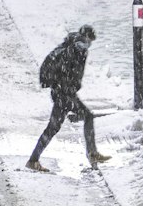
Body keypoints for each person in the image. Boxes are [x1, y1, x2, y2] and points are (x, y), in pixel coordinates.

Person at [26, 24, 110, 172]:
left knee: (53, 127)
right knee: (86, 117)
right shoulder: (79, 49)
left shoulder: (68, 45)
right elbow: (71, 72)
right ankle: (92, 153)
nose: (90, 44)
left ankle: (33, 159)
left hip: (61, 92)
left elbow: (65, 71)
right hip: (64, 94)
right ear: (87, 38)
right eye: (91, 40)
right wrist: (69, 89)